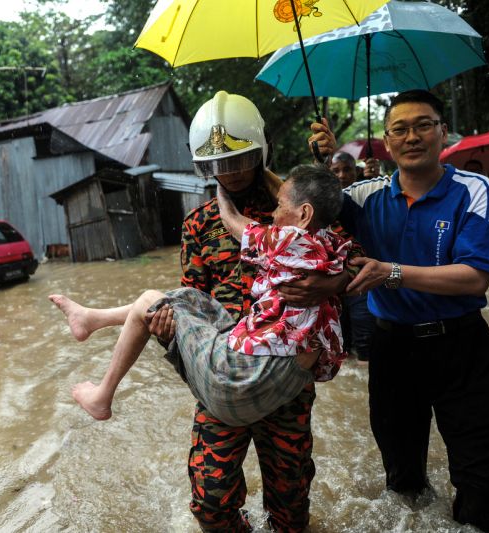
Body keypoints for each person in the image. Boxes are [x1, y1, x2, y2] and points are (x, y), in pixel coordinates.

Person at [151, 90, 343, 531]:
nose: (230, 172)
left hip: (288, 376)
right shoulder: (198, 224)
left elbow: (350, 264)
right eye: (218, 164)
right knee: (209, 497)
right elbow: (192, 301)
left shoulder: (294, 210)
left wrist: (331, 282)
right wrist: (168, 330)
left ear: (261, 152)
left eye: (240, 159)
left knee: (290, 503)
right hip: (226, 374)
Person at [49, 165, 349, 428]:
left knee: (148, 301)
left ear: (304, 213)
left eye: (280, 205)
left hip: (243, 375)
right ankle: (94, 318)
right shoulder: (334, 243)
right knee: (185, 297)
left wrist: (220, 185)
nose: (274, 212)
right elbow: (192, 293)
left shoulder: (290, 236)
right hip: (281, 375)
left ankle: (102, 395)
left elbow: (233, 220)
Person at [338, 90, 489, 531]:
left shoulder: (476, 190)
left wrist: (392, 272)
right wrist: (323, 160)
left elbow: (475, 277)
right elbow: (298, 208)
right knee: (402, 480)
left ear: (442, 133)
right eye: (400, 128)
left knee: (480, 484)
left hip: (462, 347)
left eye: (423, 125)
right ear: (387, 143)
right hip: (392, 348)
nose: (412, 136)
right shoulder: (361, 197)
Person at [330, 152, 376, 361]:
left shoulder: (365, 197)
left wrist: (372, 175)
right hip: (332, 284)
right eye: (335, 171)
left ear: (356, 171)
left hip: (361, 279)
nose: (341, 175)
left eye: (347, 169)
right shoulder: (320, 202)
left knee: (367, 345)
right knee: (340, 346)